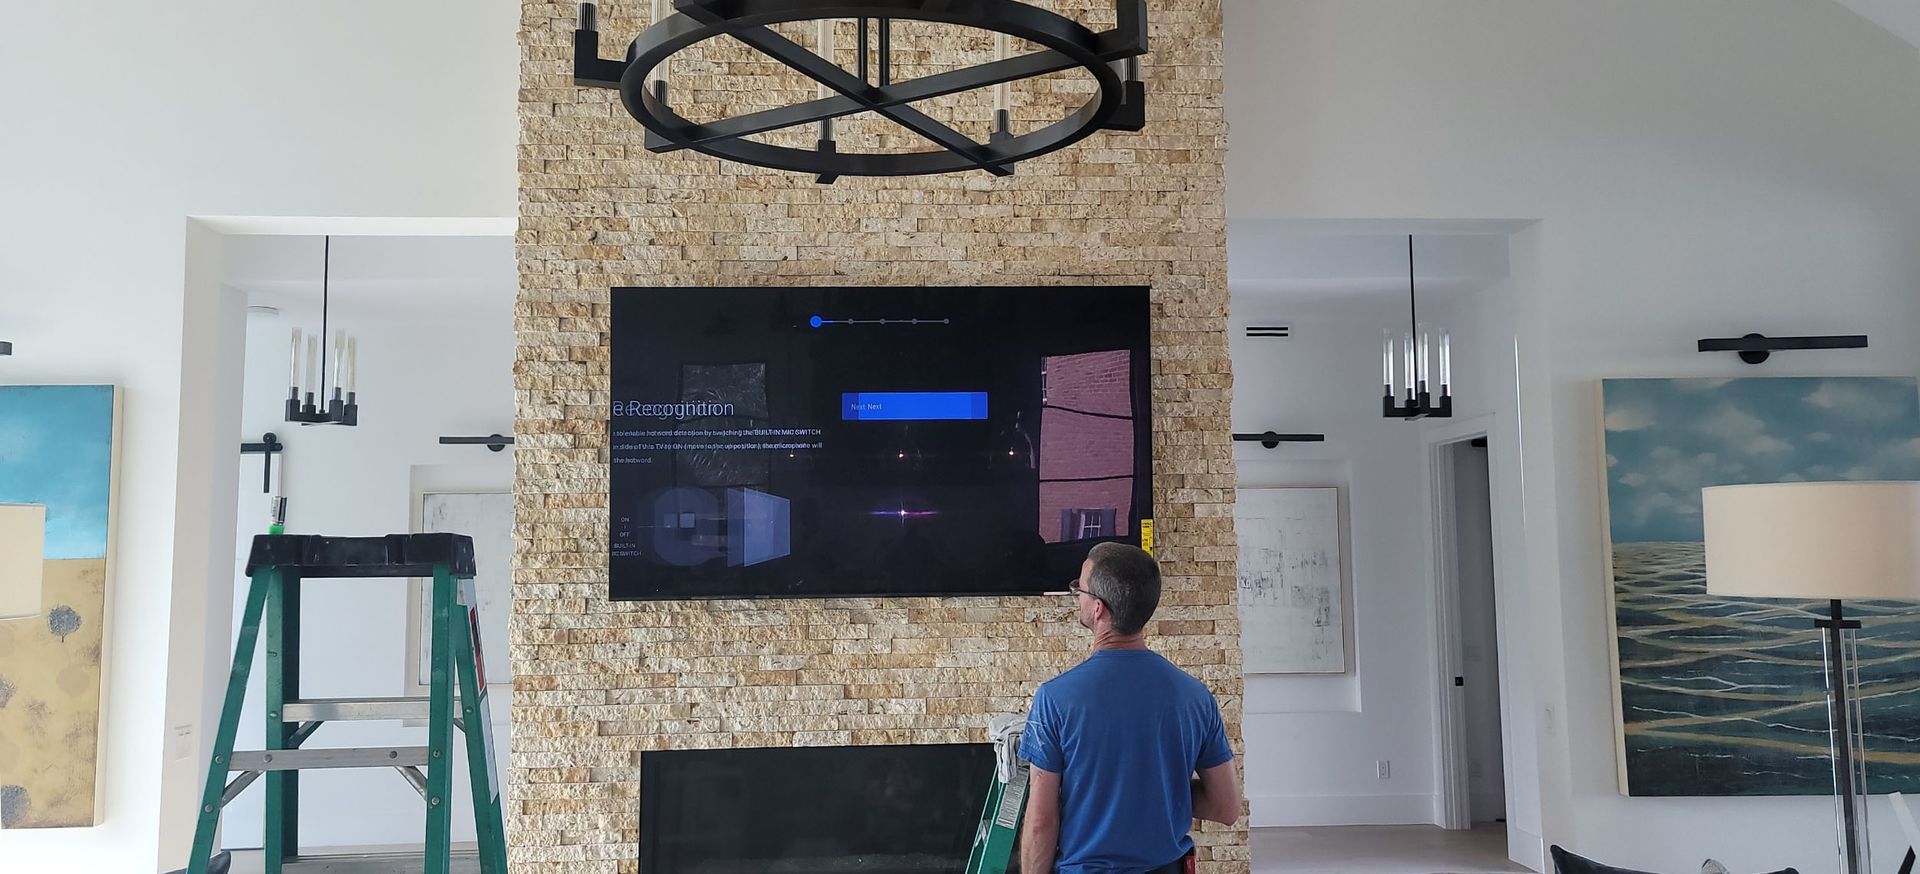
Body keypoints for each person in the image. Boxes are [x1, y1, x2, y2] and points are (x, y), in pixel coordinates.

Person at [1019, 542, 1240, 874]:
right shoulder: (1195, 696)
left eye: (1079, 588)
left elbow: (1040, 821)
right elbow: (1226, 807)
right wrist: (1158, 790)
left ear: (1098, 608)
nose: (1076, 594)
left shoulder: (1055, 699)